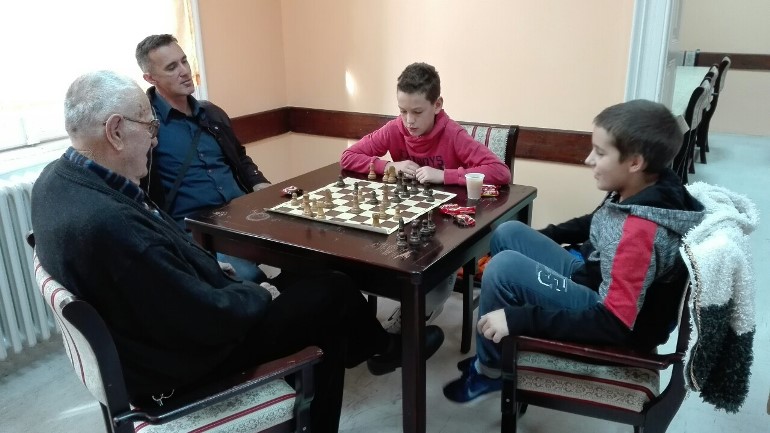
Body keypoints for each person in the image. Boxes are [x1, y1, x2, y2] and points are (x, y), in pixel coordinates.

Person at [30, 70, 443, 433]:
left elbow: (161, 270)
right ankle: (375, 351)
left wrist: (211, 272)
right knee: (332, 293)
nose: (155, 139)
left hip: (151, 338)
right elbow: (203, 316)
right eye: (149, 126)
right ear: (116, 131)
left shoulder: (55, 182)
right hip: (179, 367)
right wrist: (256, 293)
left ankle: (371, 346)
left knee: (309, 278)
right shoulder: (109, 224)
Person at [443, 99, 705, 403]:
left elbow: (615, 324)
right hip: (591, 275)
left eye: (601, 153)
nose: (589, 159)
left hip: (609, 318)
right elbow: (597, 221)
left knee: (503, 268)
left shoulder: (640, 232)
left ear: (635, 162)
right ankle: (499, 348)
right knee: (509, 232)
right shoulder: (645, 187)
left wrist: (521, 318)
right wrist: (542, 239)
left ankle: (490, 371)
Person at [340, 62, 511, 352]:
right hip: (404, 219)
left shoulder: (453, 134)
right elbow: (348, 157)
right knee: (359, 260)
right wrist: (389, 165)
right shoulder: (395, 128)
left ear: (437, 105)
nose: (409, 121)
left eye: (417, 112)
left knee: (434, 282)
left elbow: (500, 172)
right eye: (402, 110)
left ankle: (408, 325)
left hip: (446, 228)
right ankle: (377, 330)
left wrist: (444, 175)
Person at [135, 34, 268, 282]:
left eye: (184, 61)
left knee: (310, 250)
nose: (184, 71)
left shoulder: (212, 113)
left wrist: (259, 182)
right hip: (196, 231)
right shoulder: (145, 127)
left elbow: (239, 157)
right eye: (172, 67)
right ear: (150, 78)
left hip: (246, 215)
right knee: (250, 279)